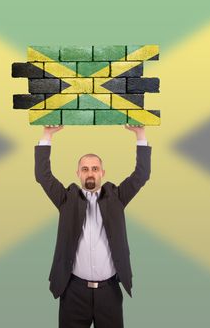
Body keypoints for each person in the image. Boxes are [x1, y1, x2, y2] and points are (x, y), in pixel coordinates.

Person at [34, 124, 152, 328]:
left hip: (110, 292)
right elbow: (43, 176)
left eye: (95, 169)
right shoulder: (66, 199)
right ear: (78, 173)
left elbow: (141, 175)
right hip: (73, 292)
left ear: (102, 173)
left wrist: (139, 134)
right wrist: (47, 134)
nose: (90, 173)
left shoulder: (117, 197)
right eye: (85, 169)